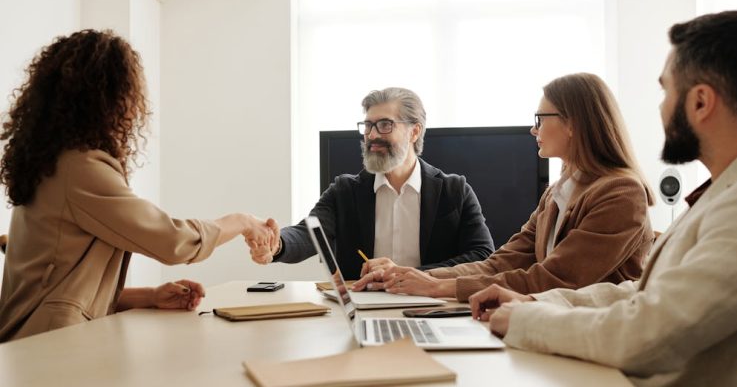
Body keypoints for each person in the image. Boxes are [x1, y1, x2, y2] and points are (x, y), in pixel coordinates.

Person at [468, 10, 737, 387]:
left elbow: (651, 333)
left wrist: (527, 320)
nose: (660, 107)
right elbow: (641, 294)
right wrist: (536, 304)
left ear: (701, 102)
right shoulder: (726, 191)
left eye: (665, 90)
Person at [0, 30, 276, 342]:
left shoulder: (50, 162)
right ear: (107, 97)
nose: (135, 106)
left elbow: (60, 286)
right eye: (130, 93)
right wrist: (242, 221)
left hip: (37, 342)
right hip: (47, 348)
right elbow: (172, 241)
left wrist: (149, 296)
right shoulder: (79, 169)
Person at [353, 73, 655, 301]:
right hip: (550, 326)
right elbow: (500, 262)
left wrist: (440, 286)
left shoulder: (621, 194)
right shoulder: (556, 193)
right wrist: (419, 277)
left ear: (573, 123)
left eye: (540, 118)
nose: (533, 129)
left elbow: (556, 279)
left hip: (593, 343)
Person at [247, 87, 494, 280]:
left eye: (384, 125)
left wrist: (412, 275)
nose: (372, 135)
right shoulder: (344, 191)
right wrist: (276, 244)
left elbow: (482, 257)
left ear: (414, 131)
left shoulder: (454, 191)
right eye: (368, 125)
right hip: (364, 306)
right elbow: (308, 234)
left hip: (433, 305)